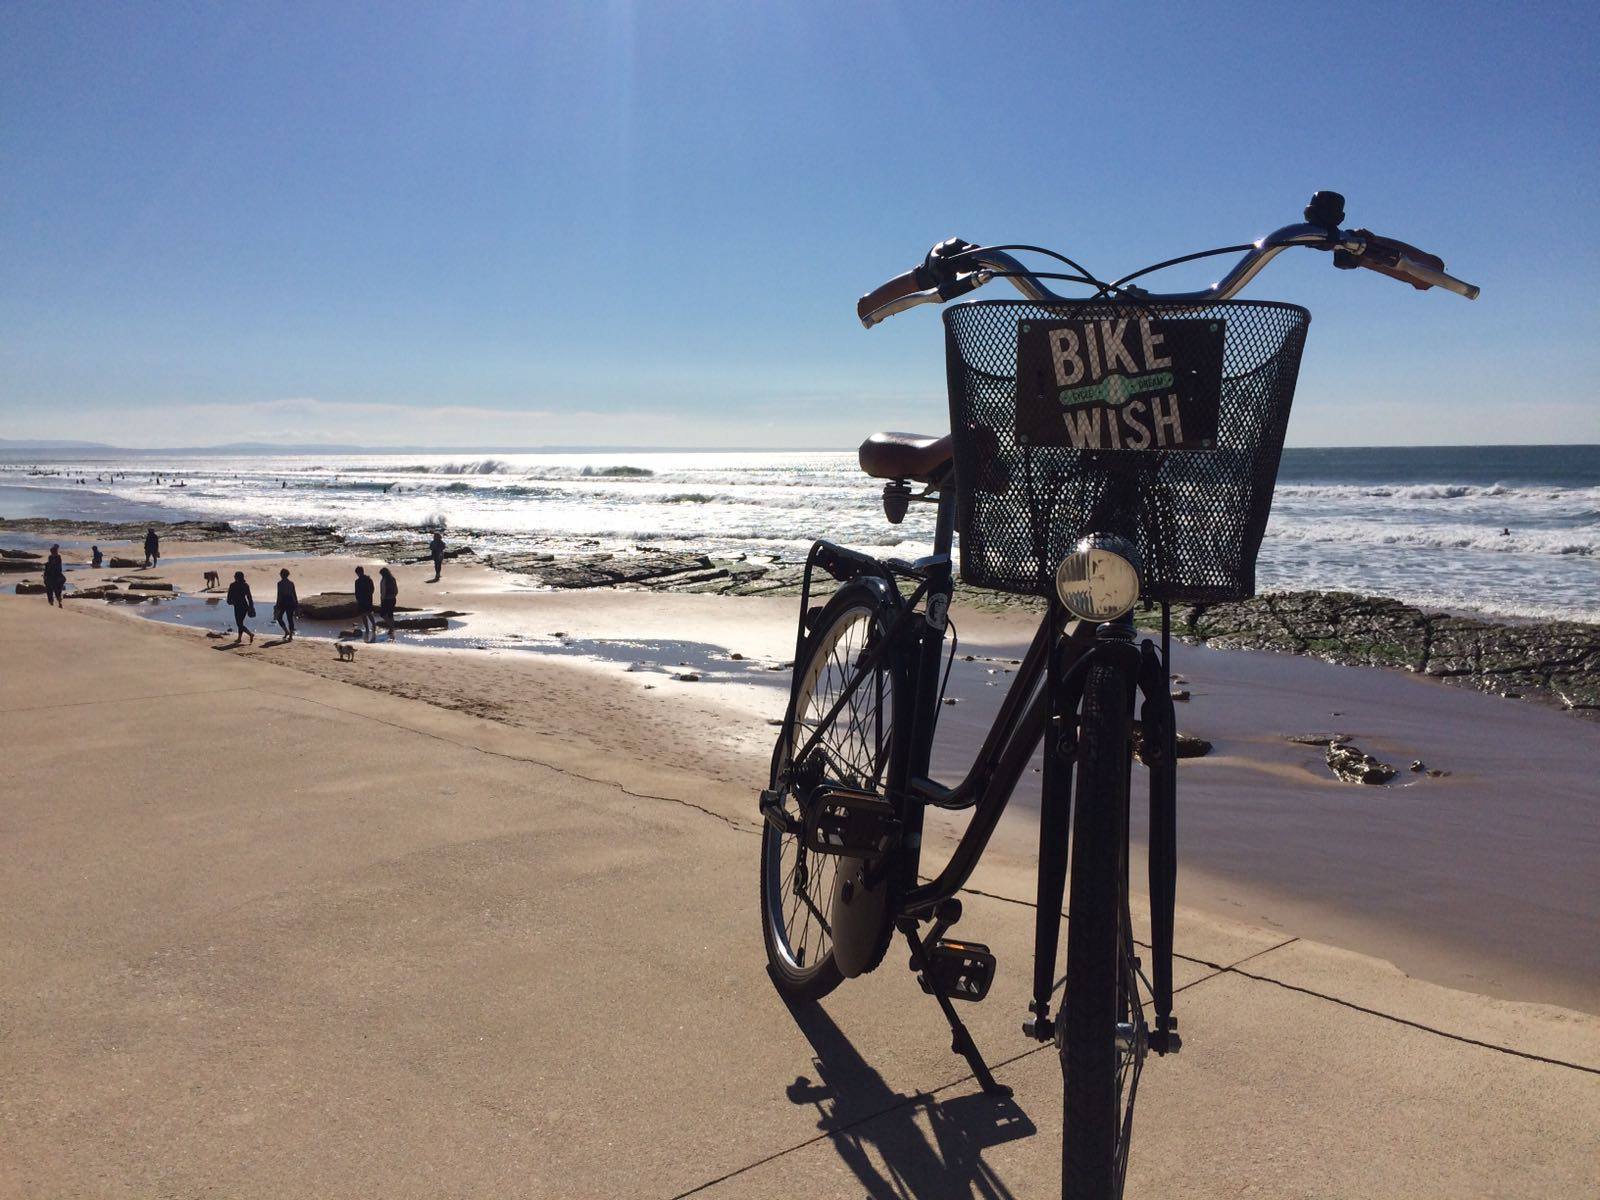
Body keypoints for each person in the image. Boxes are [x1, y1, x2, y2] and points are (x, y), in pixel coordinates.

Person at [226, 571, 255, 643]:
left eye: (235, 576)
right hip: (244, 606)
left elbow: (229, 596)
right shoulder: (245, 585)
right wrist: (251, 606)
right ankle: (240, 638)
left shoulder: (232, 585)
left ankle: (250, 634)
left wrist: (229, 602)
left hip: (237, 606)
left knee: (239, 623)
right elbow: (249, 597)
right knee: (240, 622)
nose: (234, 577)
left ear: (236, 577)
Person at [273, 568, 299, 640]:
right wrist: (296, 604)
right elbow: (294, 594)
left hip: (283, 602)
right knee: (290, 618)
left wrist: (277, 605)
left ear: (281, 575)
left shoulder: (280, 583)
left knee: (279, 618)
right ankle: (290, 635)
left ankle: (287, 631)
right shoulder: (291, 583)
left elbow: (279, 595)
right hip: (291, 601)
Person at [353, 566, 376, 642]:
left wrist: (358, 599)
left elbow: (357, 592)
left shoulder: (359, 581)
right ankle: (372, 626)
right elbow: (372, 589)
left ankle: (367, 628)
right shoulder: (368, 579)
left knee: (364, 614)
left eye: (357, 573)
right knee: (368, 613)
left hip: (363, 600)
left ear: (359, 572)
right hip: (367, 599)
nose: (358, 574)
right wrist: (369, 595)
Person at [378, 566, 399, 639]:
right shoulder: (393, 579)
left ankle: (391, 627)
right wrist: (394, 595)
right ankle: (391, 628)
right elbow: (396, 590)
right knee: (390, 614)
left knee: (383, 614)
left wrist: (382, 600)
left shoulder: (384, 580)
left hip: (386, 599)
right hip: (393, 598)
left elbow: (383, 591)